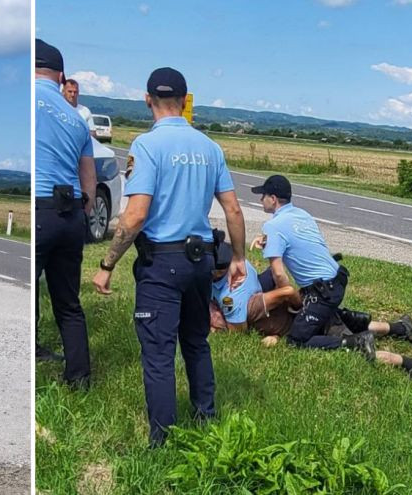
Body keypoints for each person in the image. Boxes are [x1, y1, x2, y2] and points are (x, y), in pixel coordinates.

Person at [91, 67, 248, 447]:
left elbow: (136, 215)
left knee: (159, 354)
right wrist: (239, 258)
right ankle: (206, 420)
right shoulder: (210, 147)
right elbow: (233, 210)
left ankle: (161, 441)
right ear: (184, 100)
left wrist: (107, 264)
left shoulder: (146, 146)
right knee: (196, 342)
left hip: (162, 262)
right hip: (200, 262)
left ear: (148, 100)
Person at [209, 242, 412, 380]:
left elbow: (285, 291)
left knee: (357, 345)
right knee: (351, 322)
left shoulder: (245, 307)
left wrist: (296, 307)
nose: (215, 327)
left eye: (215, 323)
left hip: (305, 318)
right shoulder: (240, 270)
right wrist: (275, 333)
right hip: (311, 310)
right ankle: (402, 327)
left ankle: (407, 363)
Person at [248, 174, 376, 354]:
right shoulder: (302, 214)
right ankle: (364, 321)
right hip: (337, 279)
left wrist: (291, 302)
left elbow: (278, 274)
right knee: (321, 318)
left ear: (273, 199)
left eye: (263, 195)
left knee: (296, 340)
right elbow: (297, 238)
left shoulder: (274, 226)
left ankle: (356, 341)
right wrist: (267, 239)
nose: (261, 199)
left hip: (322, 292)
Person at [34, 39, 97, 387]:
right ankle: (79, 378)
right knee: (68, 303)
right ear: (60, 77)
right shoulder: (76, 120)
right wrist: (81, 210)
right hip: (70, 213)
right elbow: (89, 184)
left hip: (40, 207)